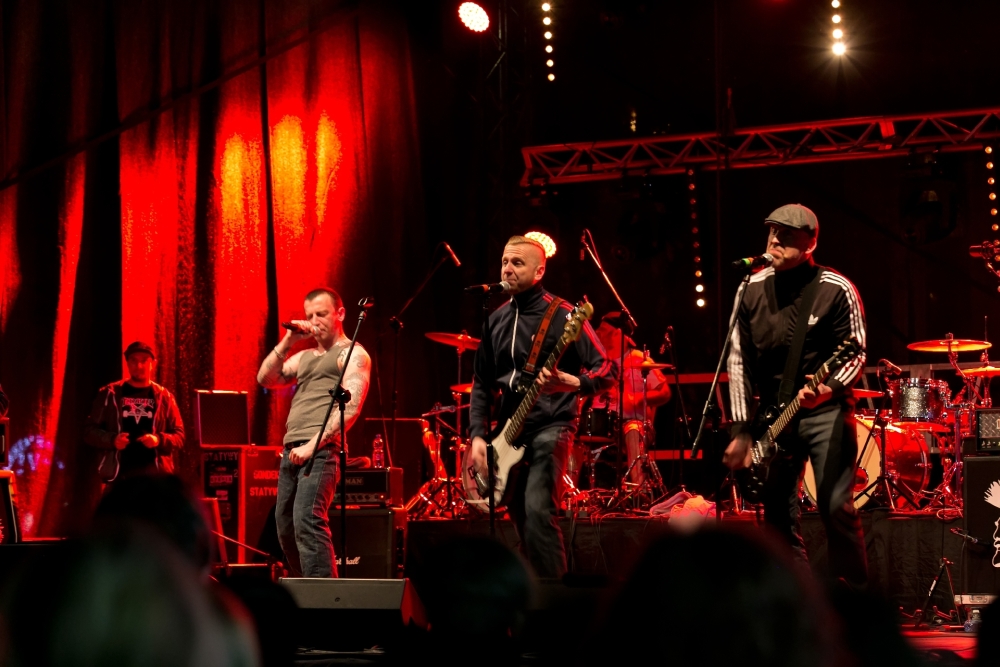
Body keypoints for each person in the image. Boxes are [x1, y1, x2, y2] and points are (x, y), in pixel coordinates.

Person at [723, 204, 868, 588]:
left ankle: (852, 600)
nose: (775, 239)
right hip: (773, 415)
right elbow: (738, 361)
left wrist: (828, 388)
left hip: (825, 409)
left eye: (787, 234)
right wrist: (741, 430)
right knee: (776, 514)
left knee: (834, 505)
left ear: (810, 243)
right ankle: (796, 598)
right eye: (772, 231)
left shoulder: (836, 288)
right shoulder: (749, 288)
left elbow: (856, 352)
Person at [469, 235, 615, 578]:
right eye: (505, 262)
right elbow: (481, 384)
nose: (507, 269)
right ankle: (535, 591)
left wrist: (574, 382)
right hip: (508, 431)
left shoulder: (564, 314)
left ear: (539, 271)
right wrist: (477, 436)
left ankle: (555, 601)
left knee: (537, 509)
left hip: (553, 424)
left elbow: (608, 369)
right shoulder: (495, 320)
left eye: (517, 263)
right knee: (521, 519)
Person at [256, 287, 370, 578]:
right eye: (310, 315)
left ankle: (322, 594)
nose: (315, 321)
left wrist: (313, 445)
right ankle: (307, 585)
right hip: (292, 449)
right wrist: (290, 339)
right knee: (285, 527)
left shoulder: (352, 354)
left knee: (307, 519)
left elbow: (352, 407)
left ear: (340, 314)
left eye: (321, 314)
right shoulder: (305, 356)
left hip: (321, 450)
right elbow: (265, 379)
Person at [83, 341, 185, 483]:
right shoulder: (110, 393)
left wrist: (158, 440)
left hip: (156, 480)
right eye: (134, 361)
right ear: (127, 363)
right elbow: (89, 432)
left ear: (153, 363)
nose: (139, 366)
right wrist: (113, 440)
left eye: (144, 361)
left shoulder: (165, 397)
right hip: (119, 479)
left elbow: (179, 436)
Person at [592, 312, 671, 485]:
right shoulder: (596, 362)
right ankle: (567, 495)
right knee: (567, 430)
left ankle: (639, 491)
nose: (597, 333)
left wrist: (639, 398)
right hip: (598, 426)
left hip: (631, 424)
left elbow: (664, 392)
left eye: (603, 330)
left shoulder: (638, 359)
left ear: (618, 333)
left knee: (633, 430)